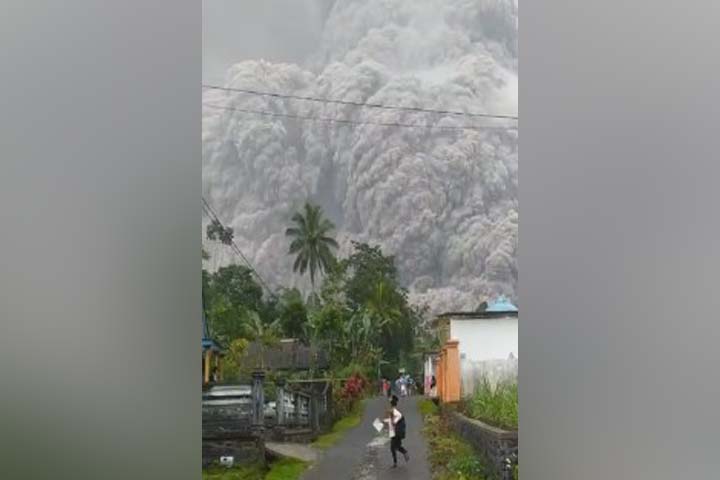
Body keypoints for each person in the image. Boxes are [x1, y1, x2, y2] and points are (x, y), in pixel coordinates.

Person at [383, 395, 409, 468]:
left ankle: (396, 462)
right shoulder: (392, 411)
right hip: (395, 432)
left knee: (393, 447)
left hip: (396, 432)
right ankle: (404, 453)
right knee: (396, 446)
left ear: (391, 404)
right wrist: (383, 422)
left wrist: (393, 421)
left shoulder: (394, 411)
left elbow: (398, 417)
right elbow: (390, 421)